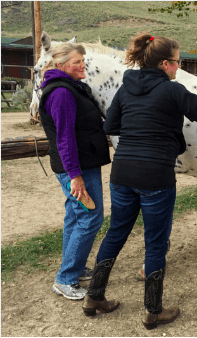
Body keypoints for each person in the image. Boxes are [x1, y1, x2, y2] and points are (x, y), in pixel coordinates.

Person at [82, 33, 197, 329]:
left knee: (116, 233)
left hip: (122, 173)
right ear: (166, 64)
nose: (179, 68)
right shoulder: (173, 90)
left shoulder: (125, 89)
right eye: (178, 62)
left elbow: (110, 125)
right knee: (155, 244)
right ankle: (153, 311)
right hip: (156, 175)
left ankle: (94, 297)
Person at [39, 42, 111, 300]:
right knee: (91, 217)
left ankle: (75, 269)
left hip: (82, 164)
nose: (83, 65)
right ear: (61, 66)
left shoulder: (71, 88)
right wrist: (75, 176)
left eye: (83, 60)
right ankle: (65, 280)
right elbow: (65, 137)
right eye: (77, 62)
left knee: (75, 216)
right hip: (78, 167)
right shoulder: (62, 94)